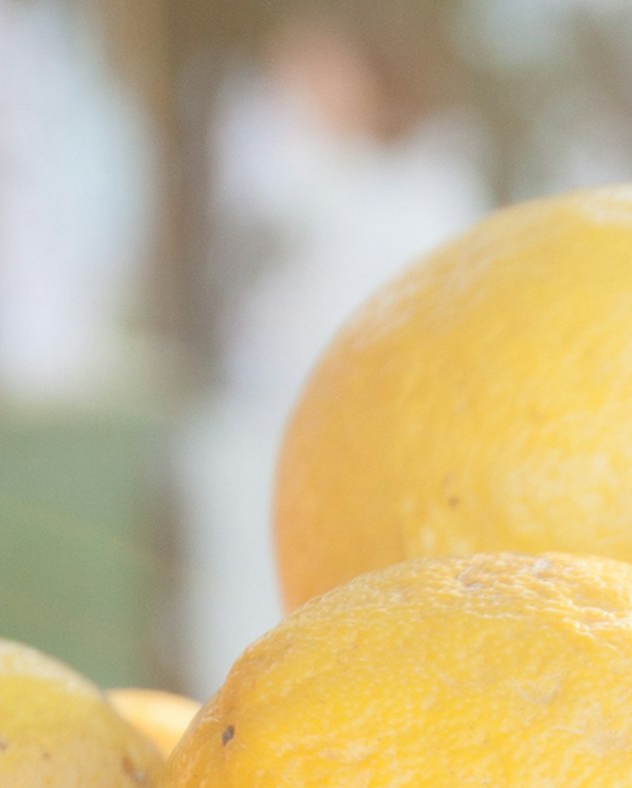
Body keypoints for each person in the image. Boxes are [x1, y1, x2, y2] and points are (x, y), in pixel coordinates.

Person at [176, 7, 483, 688]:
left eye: (316, 68)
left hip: (366, 441)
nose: (299, 87)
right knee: (241, 622)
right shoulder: (286, 165)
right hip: (263, 425)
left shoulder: (421, 182)